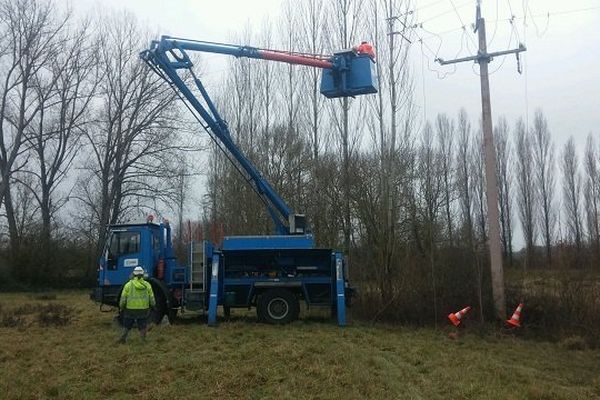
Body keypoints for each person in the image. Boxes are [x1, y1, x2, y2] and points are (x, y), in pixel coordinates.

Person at [118, 266, 156, 343]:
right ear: (143, 275)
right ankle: (143, 340)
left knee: (127, 325)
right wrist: (153, 305)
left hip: (130, 309)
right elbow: (151, 298)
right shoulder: (147, 285)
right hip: (143, 309)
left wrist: (121, 307)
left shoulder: (128, 285)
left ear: (133, 274)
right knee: (142, 325)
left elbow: (123, 298)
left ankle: (123, 339)